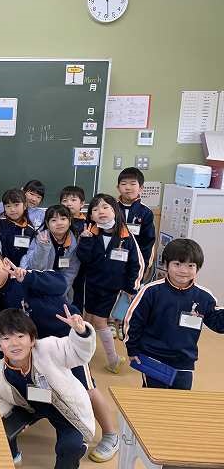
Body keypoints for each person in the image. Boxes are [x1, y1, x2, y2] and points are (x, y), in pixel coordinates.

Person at [0, 246, 119, 462]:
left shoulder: (25, 276)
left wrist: (28, 277)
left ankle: (110, 434)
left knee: (87, 388)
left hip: (67, 342)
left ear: (5, 262)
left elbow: (59, 283)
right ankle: (53, 416)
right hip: (38, 351)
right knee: (46, 388)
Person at [0, 307, 96, 468]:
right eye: (6, 338)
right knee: (1, 428)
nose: (14, 343)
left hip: (65, 407)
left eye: (20, 336)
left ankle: (76, 451)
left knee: (70, 447)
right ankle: (13, 456)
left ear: (32, 339)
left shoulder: (48, 348)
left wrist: (81, 333)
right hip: (29, 405)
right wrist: (9, 421)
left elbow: (78, 353)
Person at [124, 239, 224, 390]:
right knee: (154, 399)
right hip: (153, 358)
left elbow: (218, 323)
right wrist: (132, 348)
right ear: (166, 265)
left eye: (190, 266)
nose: (183, 270)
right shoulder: (151, 291)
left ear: (198, 268)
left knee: (180, 400)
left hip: (184, 362)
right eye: (177, 264)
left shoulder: (204, 296)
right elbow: (134, 321)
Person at [76, 194, 143, 374]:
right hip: (91, 286)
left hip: (112, 289)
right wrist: (85, 240)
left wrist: (130, 287)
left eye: (105, 207)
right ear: (91, 215)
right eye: (95, 209)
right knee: (87, 319)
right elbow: (84, 258)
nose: (101, 211)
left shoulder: (126, 236)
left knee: (100, 321)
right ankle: (82, 356)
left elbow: (136, 264)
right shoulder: (91, 234)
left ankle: (113, 360)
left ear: (115, 211)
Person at [21, 205, 80, 302]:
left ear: (69, 221)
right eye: (54, 220)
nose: (59, 223)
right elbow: (36, 267)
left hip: (60, 290)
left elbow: (70, 272)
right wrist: (43, 247)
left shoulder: (74, 242)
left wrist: (60, 292)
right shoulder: (40, 238)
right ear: (47, 224)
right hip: (37, 286)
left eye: (63, 219)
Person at [116, 167, 156, 275]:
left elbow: (148, 242)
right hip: (113, 261)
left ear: (141, 188)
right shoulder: (112, 209)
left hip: (135, 262)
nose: (128, 187)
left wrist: (144, 266)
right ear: (118, 188)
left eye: (133, 184)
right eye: (123, 184)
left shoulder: (145, 212)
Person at [0, 188, 36, 267]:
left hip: (20, 271)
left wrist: (21, 270)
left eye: (16, 205)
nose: (12, 209)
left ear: (25, 206)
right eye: (8, 206)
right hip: (0, 268)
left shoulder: (30, 231)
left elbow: (30, 256)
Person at [60, 186, 87, 312]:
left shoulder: (87, 223)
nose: (68, 203)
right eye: (65, 200)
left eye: (73, 200)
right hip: (59, 265)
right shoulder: (57, 221)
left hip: (80, 269)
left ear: (82, 203)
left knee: (77, 298)